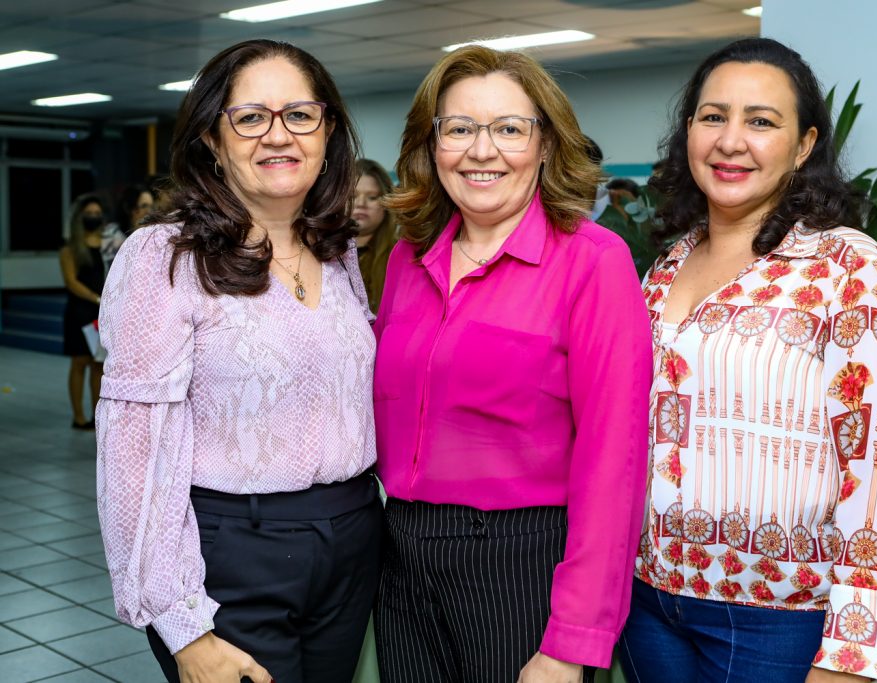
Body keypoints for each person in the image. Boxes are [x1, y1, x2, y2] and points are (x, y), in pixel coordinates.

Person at [620, 37, 877, 683]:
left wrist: (852, 653)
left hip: (777, 617)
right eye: (713, 116)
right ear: (688, 131)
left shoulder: (851, 270)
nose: (731, 141)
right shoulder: (668, 264)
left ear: (805, 144)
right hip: (647, 597)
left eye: (761, 121)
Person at [96, 39, 381, 683]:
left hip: (353, 539)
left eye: (299, 115)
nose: (278, 135)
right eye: (250, 117)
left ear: (328, 131)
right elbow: (132, 452)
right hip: (234, 554)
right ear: (211, 140)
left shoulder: (335, 247)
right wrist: (182, 626)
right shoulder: (165, 256)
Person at [373, 45, 653, 683]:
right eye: (459, 129)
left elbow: (615, 459)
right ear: (431, 145)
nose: (481, 150)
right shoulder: (408, 260)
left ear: (546, 144)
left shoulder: (592, 261)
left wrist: (572, 641)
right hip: (403, 557)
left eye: (508, 128)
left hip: (522, 565)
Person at [59, 194, 107, 430]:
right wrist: (96, 298)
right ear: (79, 217)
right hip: (79, 312)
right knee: (79, 363)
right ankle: (78, 416)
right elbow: (71, 281)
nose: (93, 217)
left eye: (97, 213)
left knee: (98, 365)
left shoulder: (108, 245)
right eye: (89, 213)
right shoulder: (69, 249)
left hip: (103, 313)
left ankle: (97, 417)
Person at [353, 158, 398, 313]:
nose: (360, 203)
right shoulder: (321, 252)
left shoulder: (399, 257)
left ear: (387, 203)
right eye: (352, 196)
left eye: (372, 197)